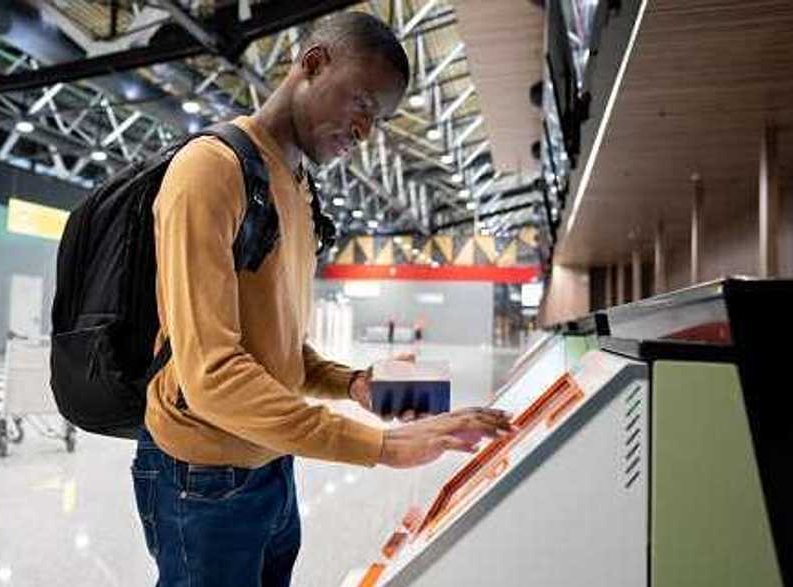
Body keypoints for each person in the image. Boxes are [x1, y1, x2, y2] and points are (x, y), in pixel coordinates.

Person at [134, 12, 514, 587]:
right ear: (312, 64)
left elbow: (277, 346)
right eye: (362, 104)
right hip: (203, 476)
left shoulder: (297, 188)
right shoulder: (210, 172)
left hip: (271, 461)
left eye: (379, 120)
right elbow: (211, 374)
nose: (366, 131)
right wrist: (382, 445)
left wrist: (353, 385)